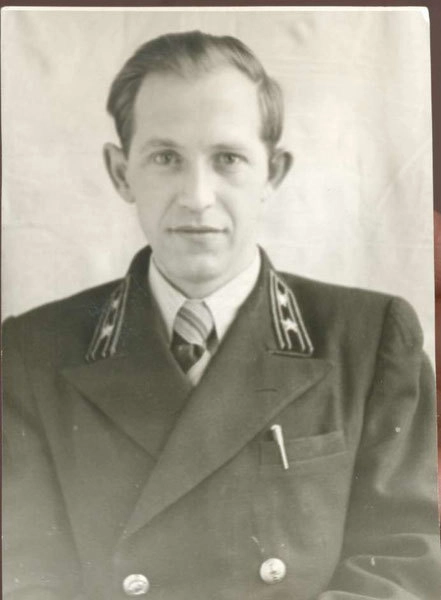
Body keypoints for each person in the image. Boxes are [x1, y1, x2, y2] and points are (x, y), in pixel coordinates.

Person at [2, 31, 440, 600]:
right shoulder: (32, 351)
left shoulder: (369, 338)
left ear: (273, 172)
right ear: (121, 172)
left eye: (227, 159)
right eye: (166, 158)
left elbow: (407, 560)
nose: (197, 196)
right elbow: (24, 575)